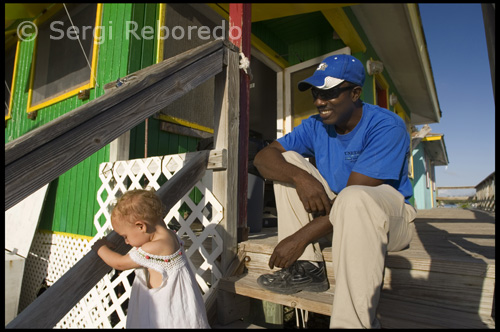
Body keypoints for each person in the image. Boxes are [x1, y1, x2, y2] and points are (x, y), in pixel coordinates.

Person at [253, 54, 416, 328]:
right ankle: (308, 268)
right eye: (317, 93)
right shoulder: (316, 125)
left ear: (354, 93)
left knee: (353, 199)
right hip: (339, 213)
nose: (319, 101)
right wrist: (301, 177)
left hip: (388, 219)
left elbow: (355, 195)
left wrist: (299, 237)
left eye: (329, 93)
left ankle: (352, 324)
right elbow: (263, 158)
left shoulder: (387, 126)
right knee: (289, 160)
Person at [92, 189, 210, 328]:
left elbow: (119, 263)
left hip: (167, 315)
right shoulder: (168, 234)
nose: (126, 242)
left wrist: (100, 247)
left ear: (141, 226)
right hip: (180, 308)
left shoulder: (153, 248)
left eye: (125, 236)